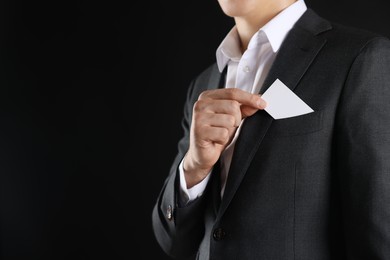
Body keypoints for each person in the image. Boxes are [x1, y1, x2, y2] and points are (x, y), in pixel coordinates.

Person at [152, 0, 390, 259]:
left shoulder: (359, 58)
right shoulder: (203, 86)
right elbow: (174, 243)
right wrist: (193, 169)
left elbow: (377, 237)